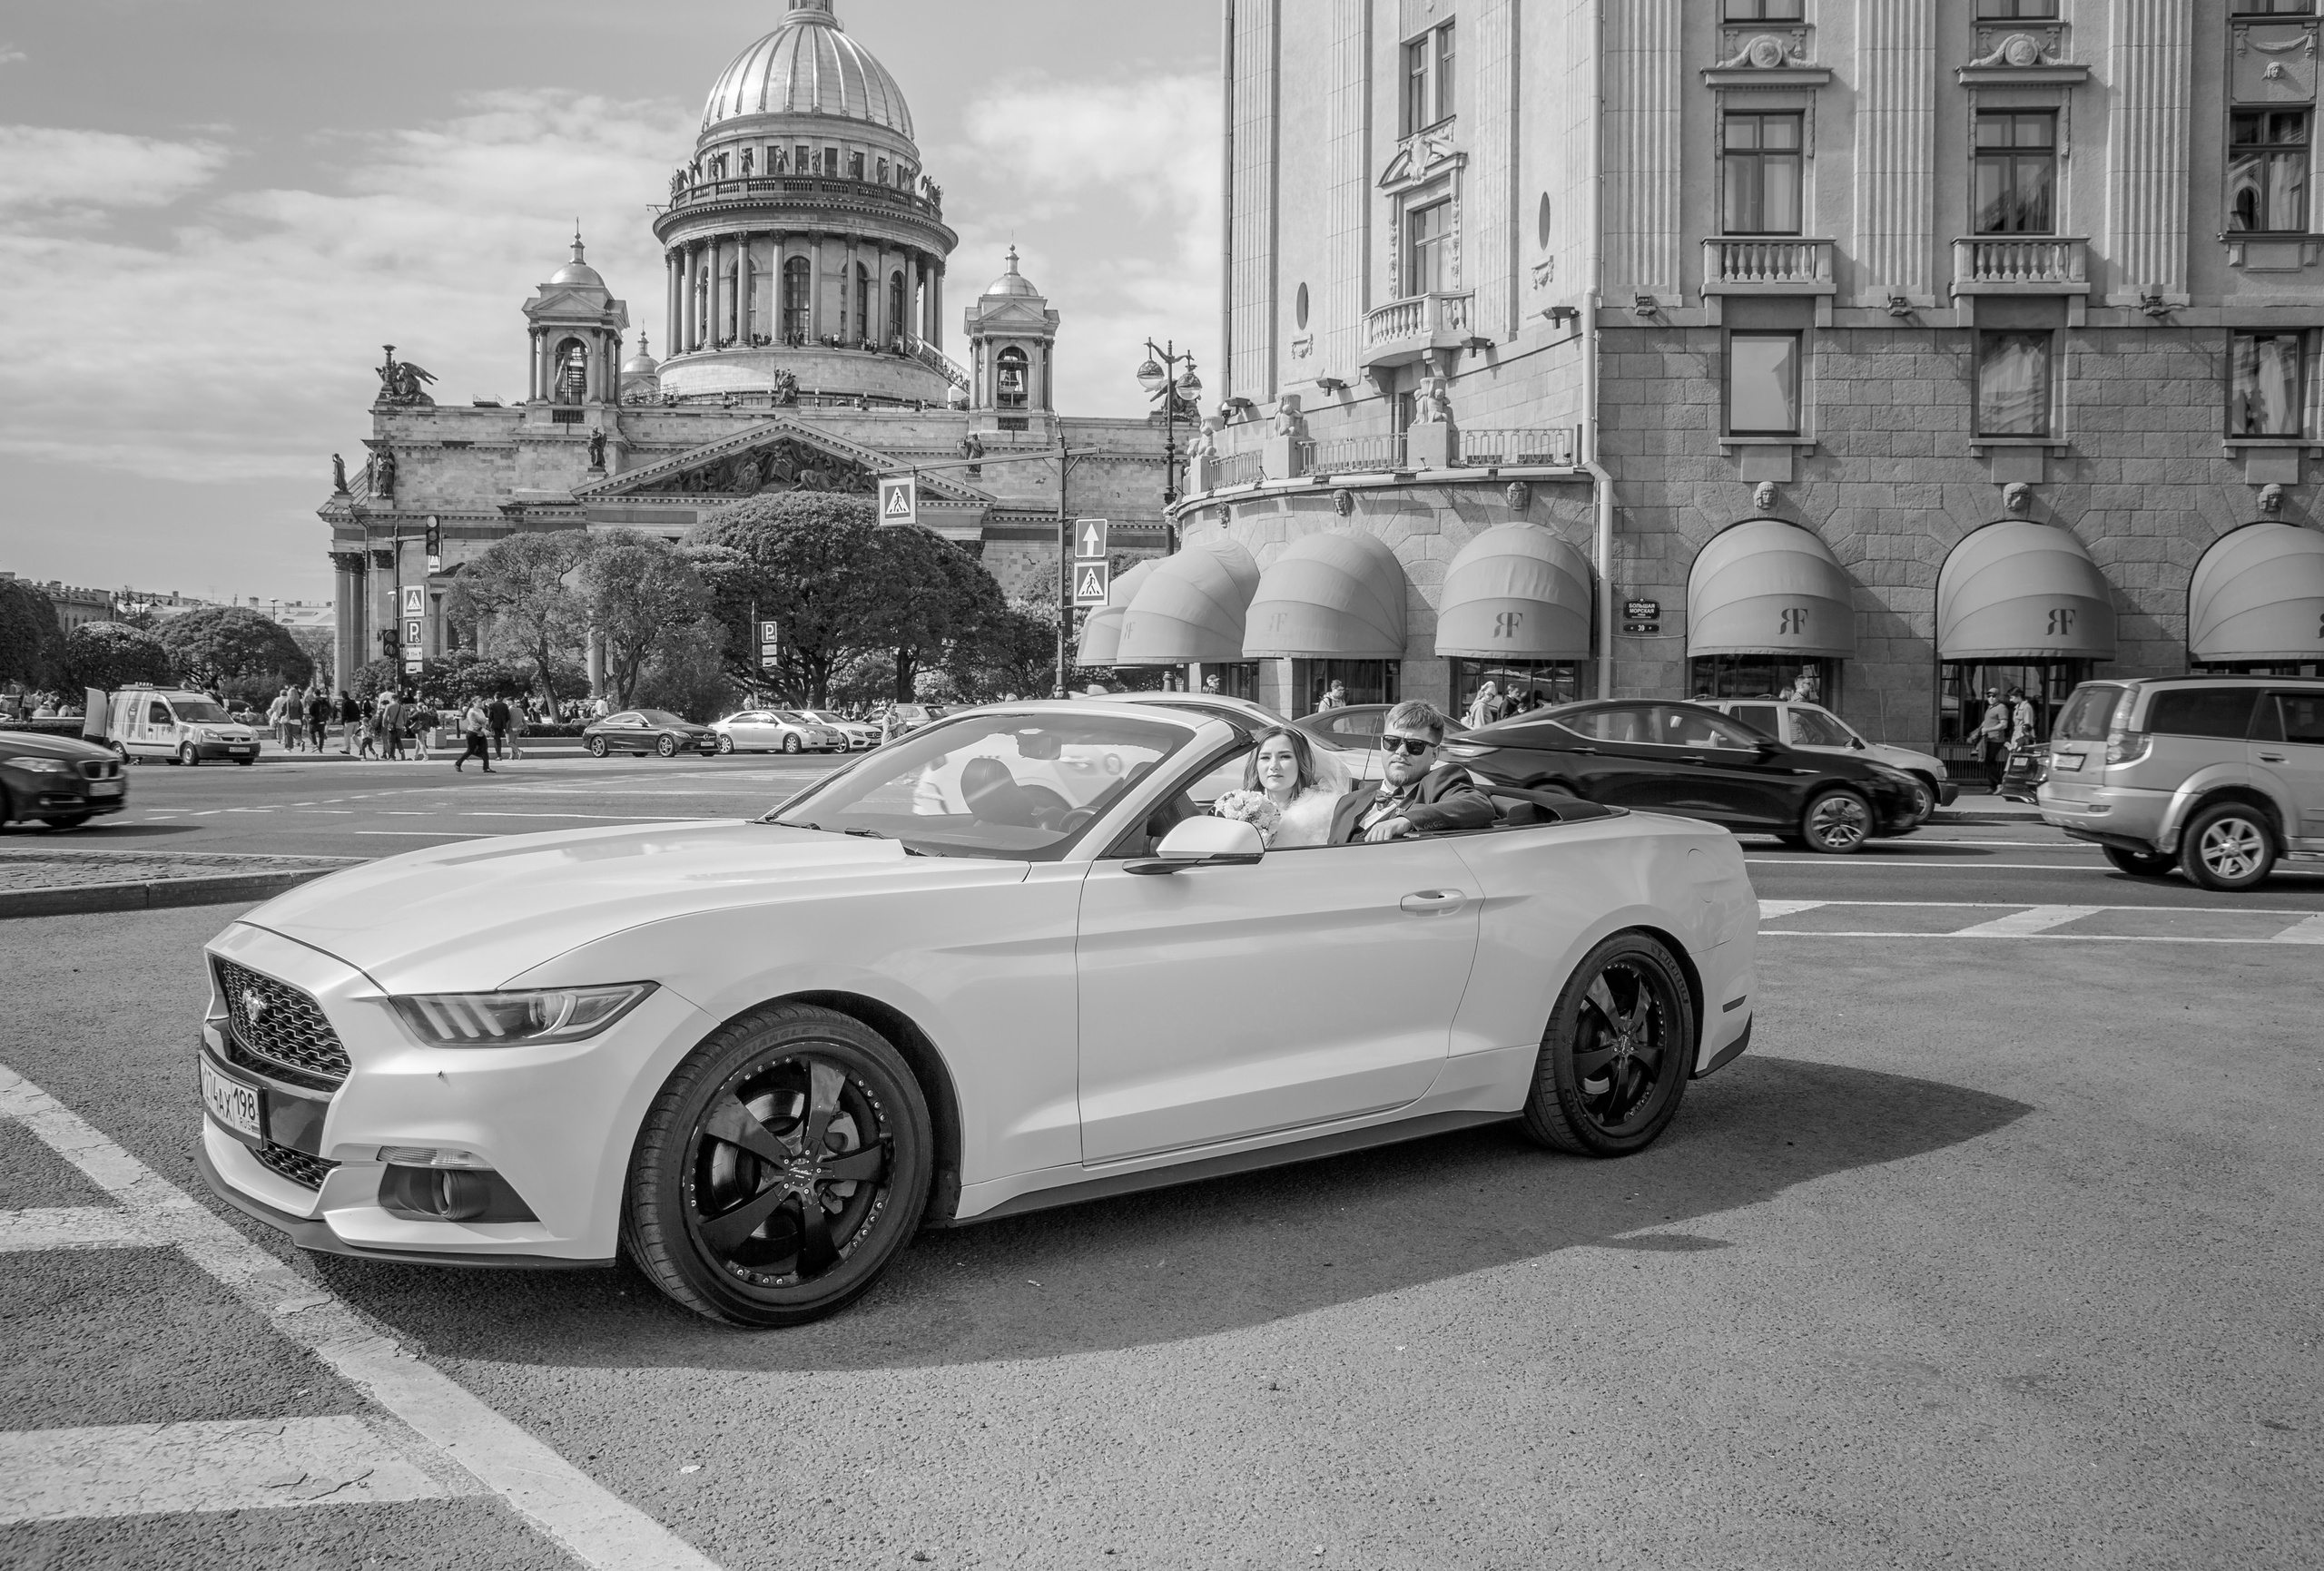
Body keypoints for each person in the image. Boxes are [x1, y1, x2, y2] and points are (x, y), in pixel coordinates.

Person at [1327, 701, 1497, 845]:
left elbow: (1477, 804)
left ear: (1435, 754)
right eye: (1392, 742)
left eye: (1415, 745)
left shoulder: (1441, 783)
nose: (1401, 751)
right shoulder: (1347, 803)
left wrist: (1406, 820)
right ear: (1381, 744)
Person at [1229, 725, 1344, 849]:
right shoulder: (1238, 809)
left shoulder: (1321, 812)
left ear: (1300, 763)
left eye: (1284, 756)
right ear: (1255, 765)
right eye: (1265, 757)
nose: (1274, 766)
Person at [1973, 686, 2010, 790]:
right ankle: (1993, 785)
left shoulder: (2001, 708)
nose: (1991, 698)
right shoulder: (1990, 707)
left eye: (1993, 696)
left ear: (1998, 697)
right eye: (1989, 696)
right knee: (1989, 761)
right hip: (1987, 738)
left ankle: (1999, 784)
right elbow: (1986, 721)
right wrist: (1978, 730)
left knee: (1987, 761)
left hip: (1996, 739)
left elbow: (2004, 725)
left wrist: (1988, 730)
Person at [454, 698, 493, 771]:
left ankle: (486, 768)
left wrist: (487, 727)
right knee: (470, 750)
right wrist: (484, 730)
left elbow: (484, 721)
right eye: (479, 702)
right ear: (474, 703)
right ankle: (458, 763)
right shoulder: (471, 712)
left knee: (485, 750)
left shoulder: (480, 711)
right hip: (472, 734)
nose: (480, 703)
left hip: (481, 734)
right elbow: (474, 724)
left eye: (481, 702)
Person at [486, 693, 511, 760]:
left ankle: (499, 755)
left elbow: (490, 716)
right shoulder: (505, 705)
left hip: (494, 724)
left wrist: (489, 726)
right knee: (498, 739)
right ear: (501, 698)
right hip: (502, 725)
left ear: (495, 697)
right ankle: (499, 755)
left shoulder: (491, 705)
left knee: (497, 740)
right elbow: (508, 716)